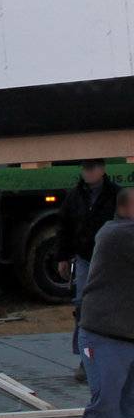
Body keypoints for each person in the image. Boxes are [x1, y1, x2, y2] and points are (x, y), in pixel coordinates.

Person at [63, 185, 134, 418]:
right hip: (104, 335)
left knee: (131, 407)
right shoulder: (116, 234)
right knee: (106, 405)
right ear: (127, 208)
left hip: (129, 333)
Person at [59, 159, 119, 382]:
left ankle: (112, 358)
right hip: (85, 257)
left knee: (113, 306)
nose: (88, 173)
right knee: (83, 307)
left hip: (110, 260)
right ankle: (86, 361)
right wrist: (63, 256)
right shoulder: (75, 196)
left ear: (102, 170)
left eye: (92, 168)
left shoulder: (115, 195)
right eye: (85, 168)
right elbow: (64, 226)